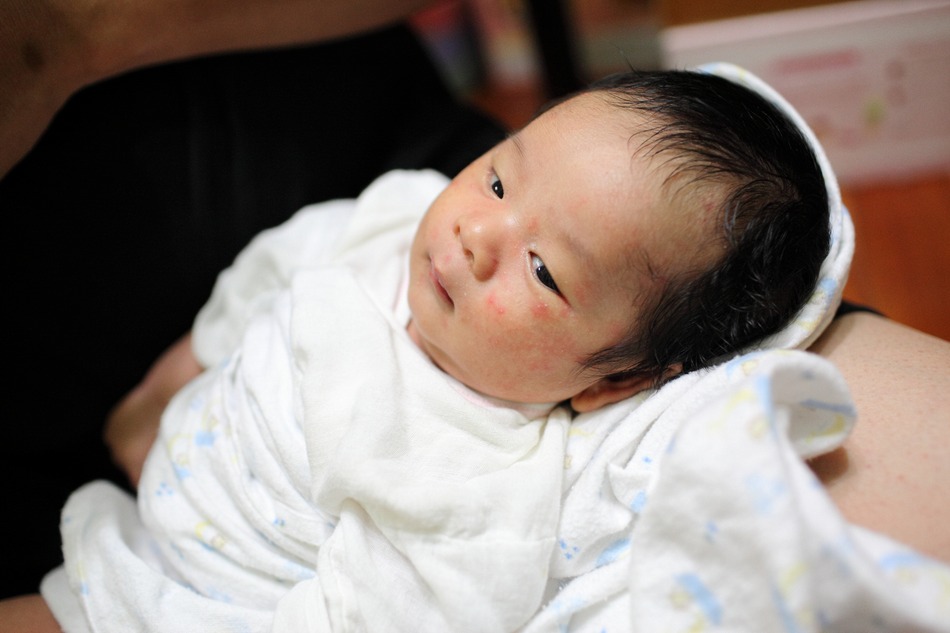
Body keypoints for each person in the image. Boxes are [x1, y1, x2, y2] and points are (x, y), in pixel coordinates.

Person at [0, 63, 858, 631]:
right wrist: (186, 368)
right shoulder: (398, 211)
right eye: (499, 176)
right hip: (150, 475)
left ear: (615, 381)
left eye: (545, 270)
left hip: (170, 603)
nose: (478, 233)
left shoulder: (481, 487)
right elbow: (282, 258)